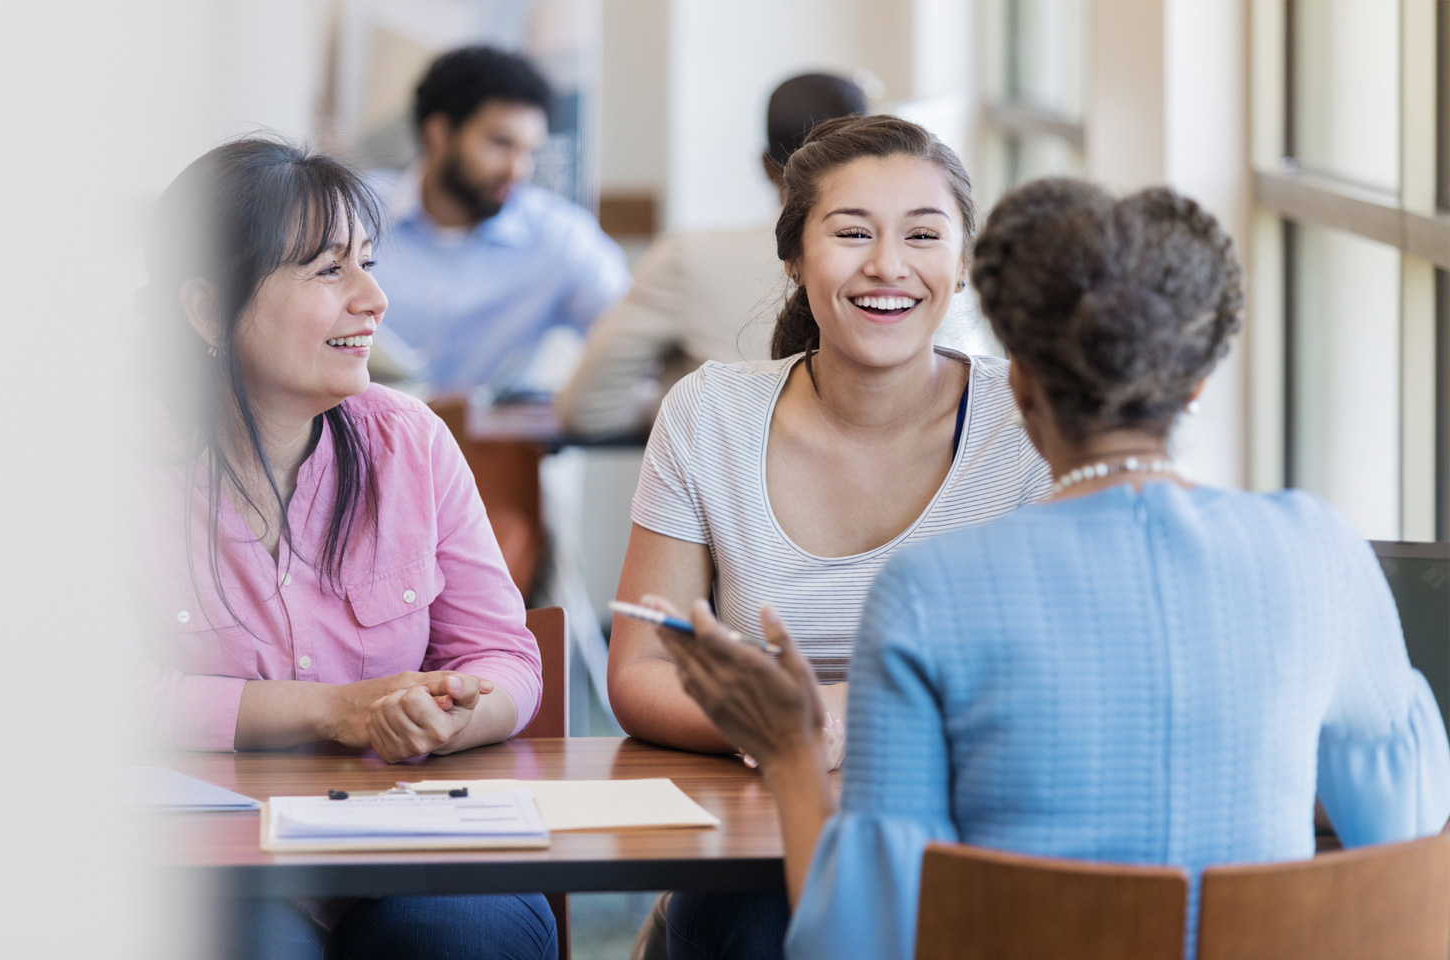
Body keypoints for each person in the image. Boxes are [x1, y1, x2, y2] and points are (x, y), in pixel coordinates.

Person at [648, 179, 1450, 960]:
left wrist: (792, 752)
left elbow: (858, 941)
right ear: (1198, 381)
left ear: (1020, 385)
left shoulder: (931, 593)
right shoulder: (1320, 549)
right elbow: (1407, 830)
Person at [606, 114, 1050, 960]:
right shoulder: (710, 413)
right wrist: (782, 732)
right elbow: (636, 668)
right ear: (793, 258)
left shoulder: (1028, 422)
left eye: (924, 235)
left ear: (961, 268)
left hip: (967, 828)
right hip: (755, 842)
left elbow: (1041, 675)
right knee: (752, 919)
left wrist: (837, 719)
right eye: (852, 233)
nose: (888, 266)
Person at [140, 137, 555, 960]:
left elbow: (506, 656)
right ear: (203, 305)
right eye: (330, 272)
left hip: (410, 843)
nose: (374, 300)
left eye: (367, 264)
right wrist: (337, 709)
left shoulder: (410, 441)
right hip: (214, 863)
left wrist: (449, 717)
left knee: (468, 935)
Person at [556, 73, 867, 436]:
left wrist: (692, 409)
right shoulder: (910, 271)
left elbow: (588, 408)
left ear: (766, 166)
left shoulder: (688, 259)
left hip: (727, 488)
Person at [369, 45, 629, 396]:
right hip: (357, 442)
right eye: (501, 144)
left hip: (496, 448)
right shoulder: (350, 213)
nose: (517, 170)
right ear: (439, 134)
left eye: (529, 151)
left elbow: (631, 333)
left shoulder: (558, 235)